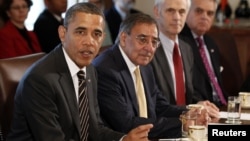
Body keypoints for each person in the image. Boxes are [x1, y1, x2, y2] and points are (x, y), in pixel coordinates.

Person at [6, 2, 153, 141]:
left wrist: (123, 139)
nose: (89, 42)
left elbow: (94, 129)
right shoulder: (39, 79)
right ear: (63, 34)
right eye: (81, 32)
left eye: (97, 34)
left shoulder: (89, 70)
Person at [92, 12, 209, 139]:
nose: (150, 48)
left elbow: (160, 107)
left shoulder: (145, 66)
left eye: (154, 42)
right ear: (124, 38)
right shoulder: (105, 70)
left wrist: (191, 112)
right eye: (142, 40)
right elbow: (126, 123)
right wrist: (183, 124)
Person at [150, 0, 219, 118]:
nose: (177, 17)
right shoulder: (148, 49)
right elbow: (155, 103)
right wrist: (189, 110)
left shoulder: (186, 48)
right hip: (163, 126)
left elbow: (189, 93)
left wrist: (198, 104)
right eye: (170, 11)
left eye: (182, 12)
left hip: (189, 124)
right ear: (157, 12)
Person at [179, 0, 228, 108]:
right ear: (186, 12)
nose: (204, 17)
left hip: (221, 106)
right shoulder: (180, 43)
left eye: (210, 13)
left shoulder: (211, 43)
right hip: (201, 108)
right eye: (199, 11)